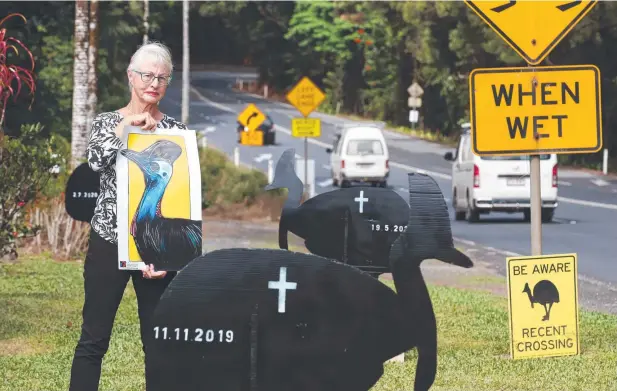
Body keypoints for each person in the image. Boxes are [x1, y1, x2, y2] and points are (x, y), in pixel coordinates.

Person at [69, 42, 188, 391]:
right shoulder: (107, 122)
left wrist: (172, 257)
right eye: (147, 75)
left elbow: (184, 196)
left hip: (155, 246)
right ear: (130, 77)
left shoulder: (176, 132)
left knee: (158, 342)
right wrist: (126, 129)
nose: (153, 83)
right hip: (109, 240)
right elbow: (95, 161)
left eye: (161, 77)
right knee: (94, 337)